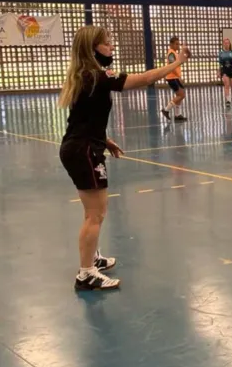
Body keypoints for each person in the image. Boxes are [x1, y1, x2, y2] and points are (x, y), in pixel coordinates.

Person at [58, 26, 188, 291]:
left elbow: (84, 117)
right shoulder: (96, 75)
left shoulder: (85, 76)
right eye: (107, 44)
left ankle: (91, 258)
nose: (111, 48)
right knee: (96, 214)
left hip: (83, 146)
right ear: (93, 48)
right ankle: (86, 274)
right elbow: (142, 79)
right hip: (83, 151)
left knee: (92, 212)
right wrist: (177, 63)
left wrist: (105, 140)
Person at [162, 35, 188, 122]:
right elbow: (172, 67)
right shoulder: (171, 53)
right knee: (181, 95)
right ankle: (166, 109)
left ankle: (177, 115)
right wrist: (179, 77)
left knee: (180, 95)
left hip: (175, 77)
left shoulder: (175, 53)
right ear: (171, 44)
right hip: (172, 78)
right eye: (176, 44)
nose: (178, 46)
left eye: (178, 44)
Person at [218, 38, 232, 108]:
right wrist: (218, 72)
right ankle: (228, 100)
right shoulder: (221, 53)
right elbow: (220, 64)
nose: (227, 44)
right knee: (226, 85)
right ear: (223, 44)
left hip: (231, 71)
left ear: (230, 44)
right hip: (224, 72)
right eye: (225, 43)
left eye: (228, 43)